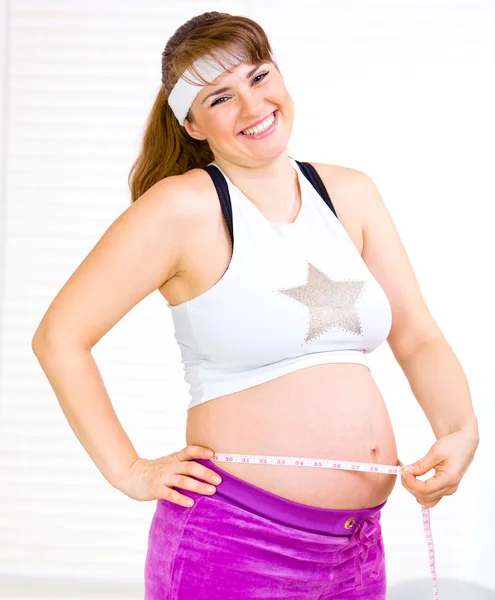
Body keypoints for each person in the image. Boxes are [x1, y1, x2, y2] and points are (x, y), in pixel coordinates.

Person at [32, 11, 479, 600]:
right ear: (191, 125)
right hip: (235, 544)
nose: (252, 106)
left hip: (358, 546)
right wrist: (129, 470)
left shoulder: (350, 193)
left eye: (259, 77)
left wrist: (460, 429)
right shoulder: (182, 208)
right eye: (220, 97)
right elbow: (59, 337)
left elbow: (418, 335)